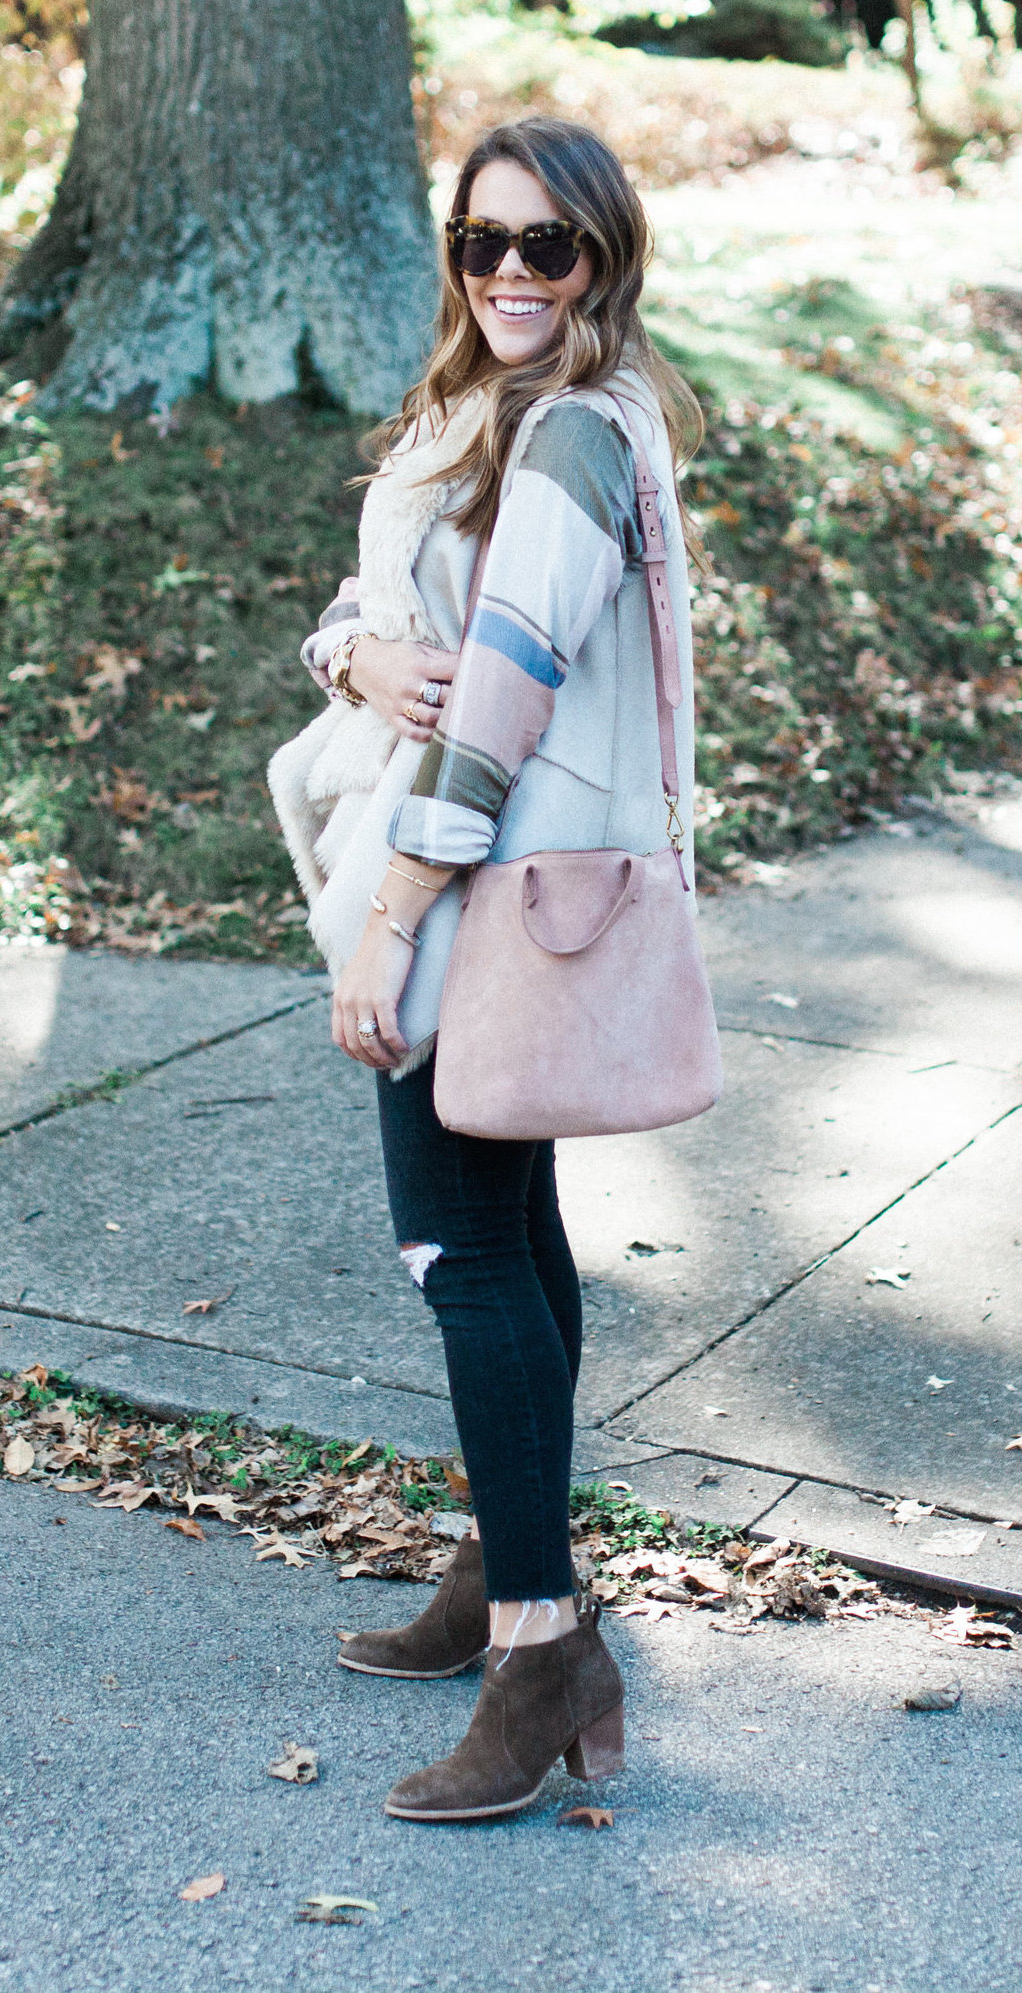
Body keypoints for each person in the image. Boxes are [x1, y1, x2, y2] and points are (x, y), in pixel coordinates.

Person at [268, 116, 703, 1822]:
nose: (512, 275)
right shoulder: (474, 417)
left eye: (549, 247)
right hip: (482, 872)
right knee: (510, 1230)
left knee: (457, 1246)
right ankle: (503, 1557)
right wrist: (350, 652)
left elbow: (505, 696)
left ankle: (541, 1643)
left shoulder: (585, 436)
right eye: (482, 244)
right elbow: (389, 621)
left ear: (603, 257)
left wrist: (386, 924)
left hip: (477, 884)